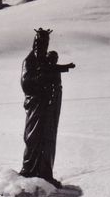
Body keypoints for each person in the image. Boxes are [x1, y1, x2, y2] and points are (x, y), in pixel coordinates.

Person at [19, 29, 74, 187]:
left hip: (49, 108)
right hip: (36, 105)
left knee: (48, 140)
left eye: (45, 44)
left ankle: (45, 172)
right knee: (33, 138)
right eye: (39, 43)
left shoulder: (46, 62)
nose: (42, 47)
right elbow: (27, 84)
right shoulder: (30, 61)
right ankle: (29, 170)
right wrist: (44, 78)